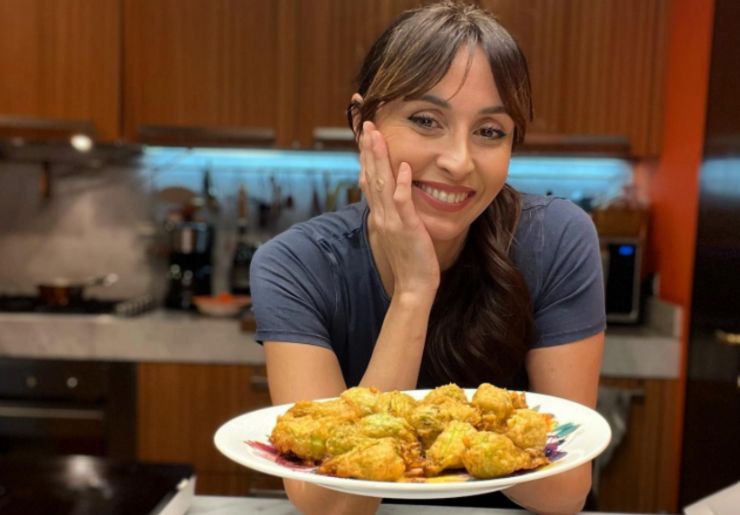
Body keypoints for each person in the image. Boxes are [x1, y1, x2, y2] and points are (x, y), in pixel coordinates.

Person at [250, 1, 605, 514]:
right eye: (425, 120)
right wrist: (414, 294)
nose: (459, 162)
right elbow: (331, 509)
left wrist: (456, 435)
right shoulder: (295, 266)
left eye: (489, 131)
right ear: (360, 124)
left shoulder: (554, 239)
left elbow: (563, 493)